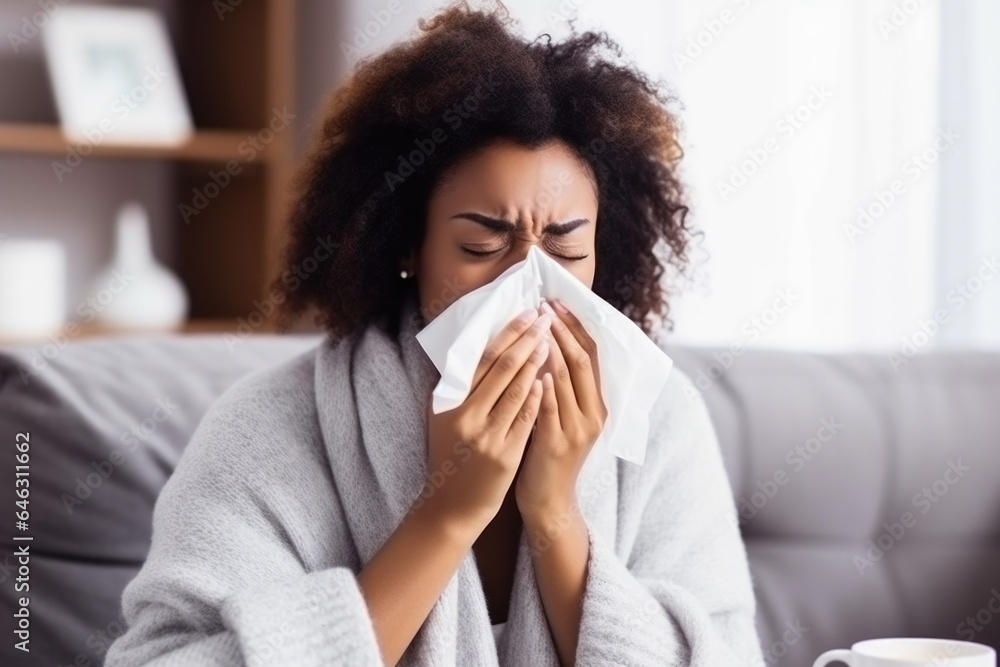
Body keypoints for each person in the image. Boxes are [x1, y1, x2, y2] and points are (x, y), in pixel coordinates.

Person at [106, 3, 764, 665]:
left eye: (565, 252)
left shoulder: (664, 419)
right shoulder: (269, 425)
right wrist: (445, 514)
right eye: (481, 244)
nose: (530, 285)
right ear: (408, 245)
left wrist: (556, 516)